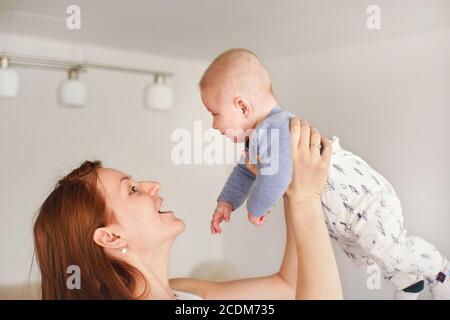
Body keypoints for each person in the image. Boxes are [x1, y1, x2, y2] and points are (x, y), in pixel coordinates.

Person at [201, 48, 449, 300]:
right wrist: (227, 202)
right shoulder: (257, 139)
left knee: (385, 246)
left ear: (242, 106)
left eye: (214, 114)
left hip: (363, 200)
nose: (214, 125)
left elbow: (277, 176)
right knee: (368, 250)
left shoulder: (275, 129)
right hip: (340, 215)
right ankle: (408, 282)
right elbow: (246, 170)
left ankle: (440, 270)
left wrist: (256, 207)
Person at [33, 118, 342, 299]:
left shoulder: (183, 293)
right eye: (131, 189)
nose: (152, 185)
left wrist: (288, 184)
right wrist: (305, 200)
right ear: (110, 238)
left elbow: (288, 287)